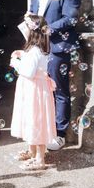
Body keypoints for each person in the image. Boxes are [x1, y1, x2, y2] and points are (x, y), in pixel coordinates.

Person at [29, 0, 81, 151]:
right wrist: (29, 19)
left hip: (57, 45)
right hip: (37, 46)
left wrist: (48, 29)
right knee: (40, 91)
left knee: (59, 90)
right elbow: (35, 12)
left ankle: (59, 133)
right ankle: (43, 129)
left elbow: (71, 17)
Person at [9, 14, 57, 171]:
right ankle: (32, 151)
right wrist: (22, 55)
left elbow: (29, 71)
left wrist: (15, 62)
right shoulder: (38, 48)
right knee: (31, 120)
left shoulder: (35, 50)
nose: (25, 30)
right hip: (33, 89)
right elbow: (33, 63)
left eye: (27, 27)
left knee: (37, 122)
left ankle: (39, 159)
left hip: (34, 90)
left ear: (33, 32)